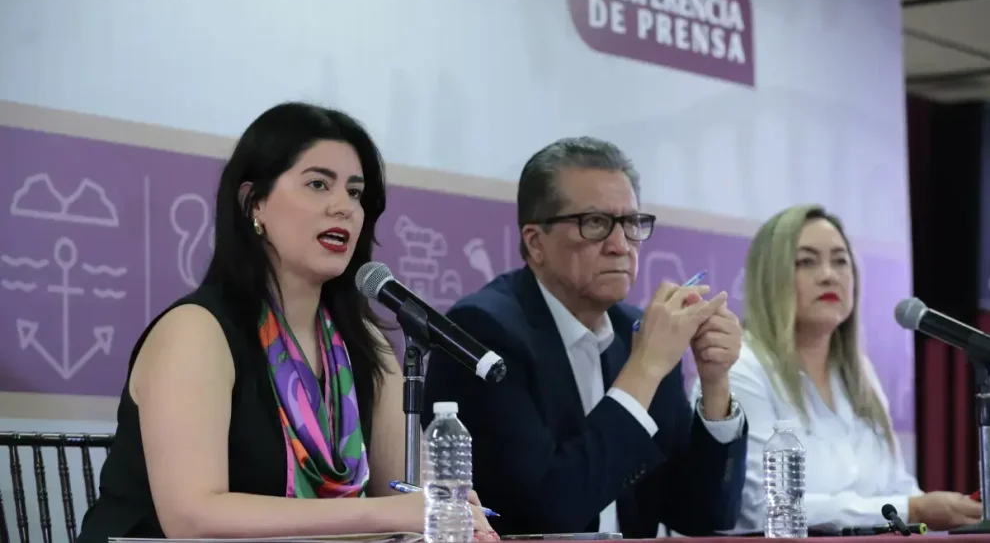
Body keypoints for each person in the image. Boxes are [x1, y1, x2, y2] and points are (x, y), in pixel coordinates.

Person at [77, 102, 497, 542]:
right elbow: (192, 519)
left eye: (355, 193)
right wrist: (387, 514)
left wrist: (452, 515)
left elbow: (410, 495)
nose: (344, 207)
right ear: (253, 202)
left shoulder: (364, 341)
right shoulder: (196, 332)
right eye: (318, 184)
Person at [421, 137, 749, 539]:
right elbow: (545, 514)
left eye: (631, 223)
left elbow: (705, 516)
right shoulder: (483, 331)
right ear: (535, 243)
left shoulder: (636, 333)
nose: (620, 246)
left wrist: (716, 384)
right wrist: (644, 369)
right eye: (595, 223)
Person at [692, 204, 982, 532]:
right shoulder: (741, 369)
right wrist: (913, 509)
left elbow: (898, 487)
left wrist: (954, 507)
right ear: (769, 278)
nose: (829, 275)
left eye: (840, 261)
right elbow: (762, 508)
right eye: (806, 261)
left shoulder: (860, 374)